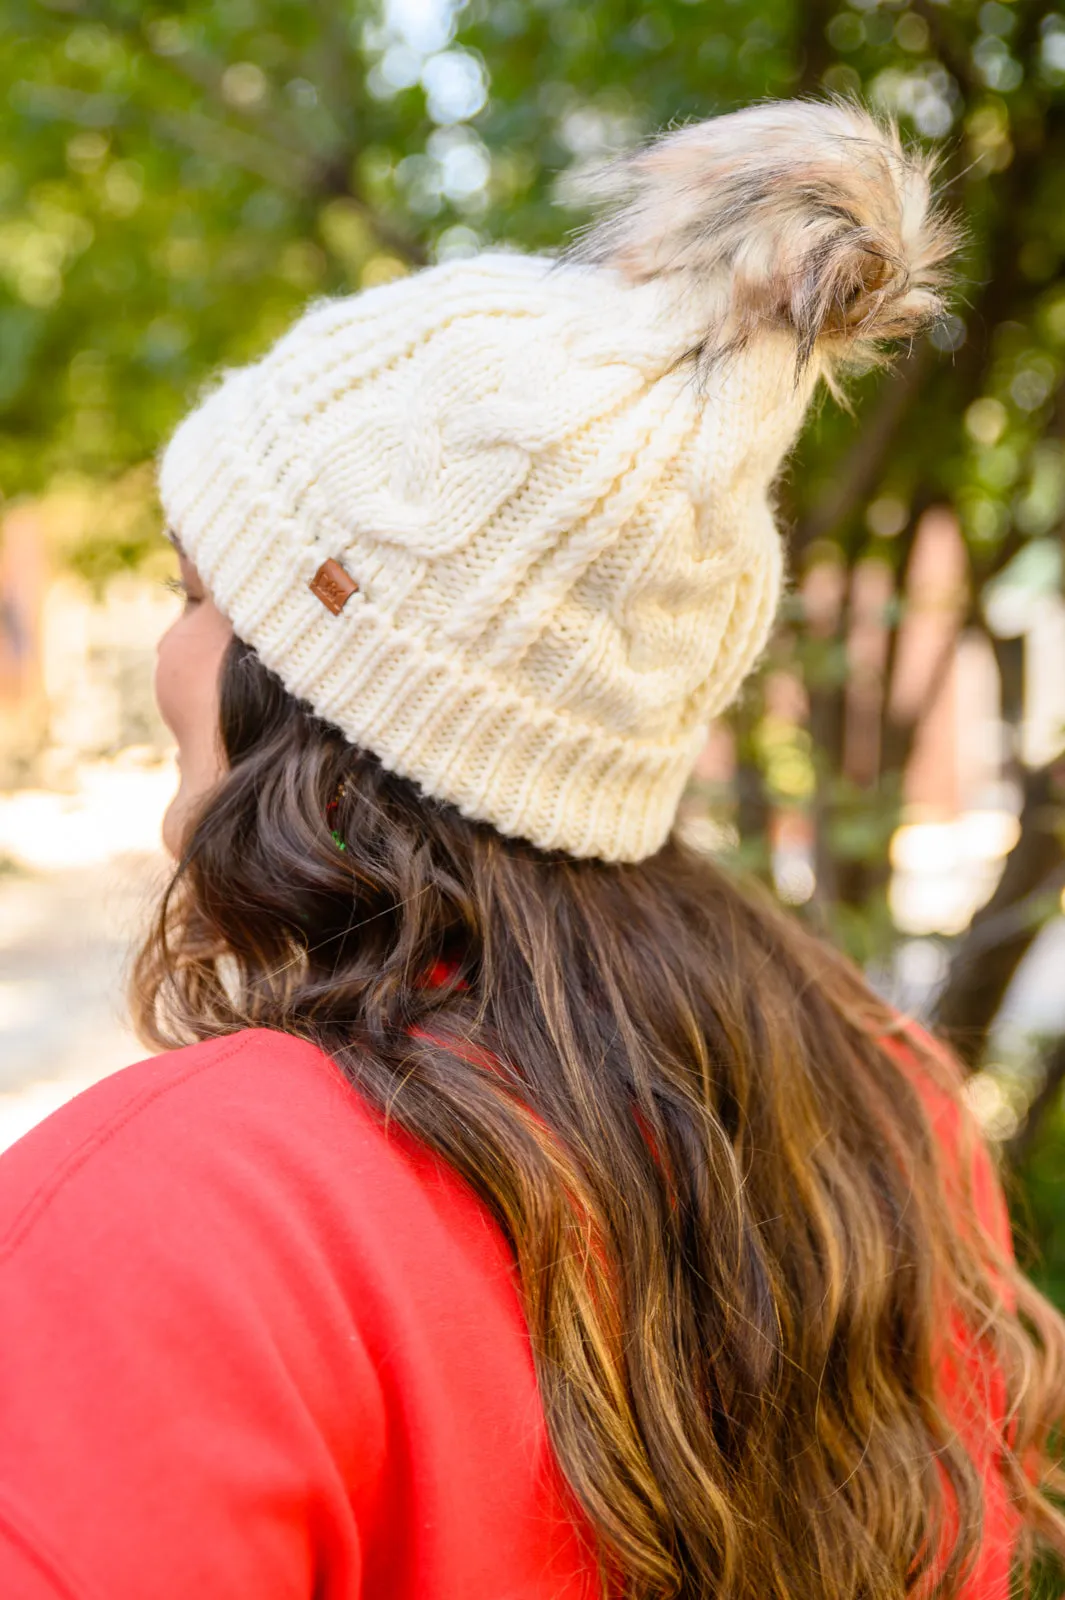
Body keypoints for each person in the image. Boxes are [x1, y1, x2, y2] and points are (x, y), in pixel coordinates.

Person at [0, 97, 1062, 1600]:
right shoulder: (881, 1123)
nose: (173, 655)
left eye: (195, 593)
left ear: (313, 679)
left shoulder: (164, 1228)